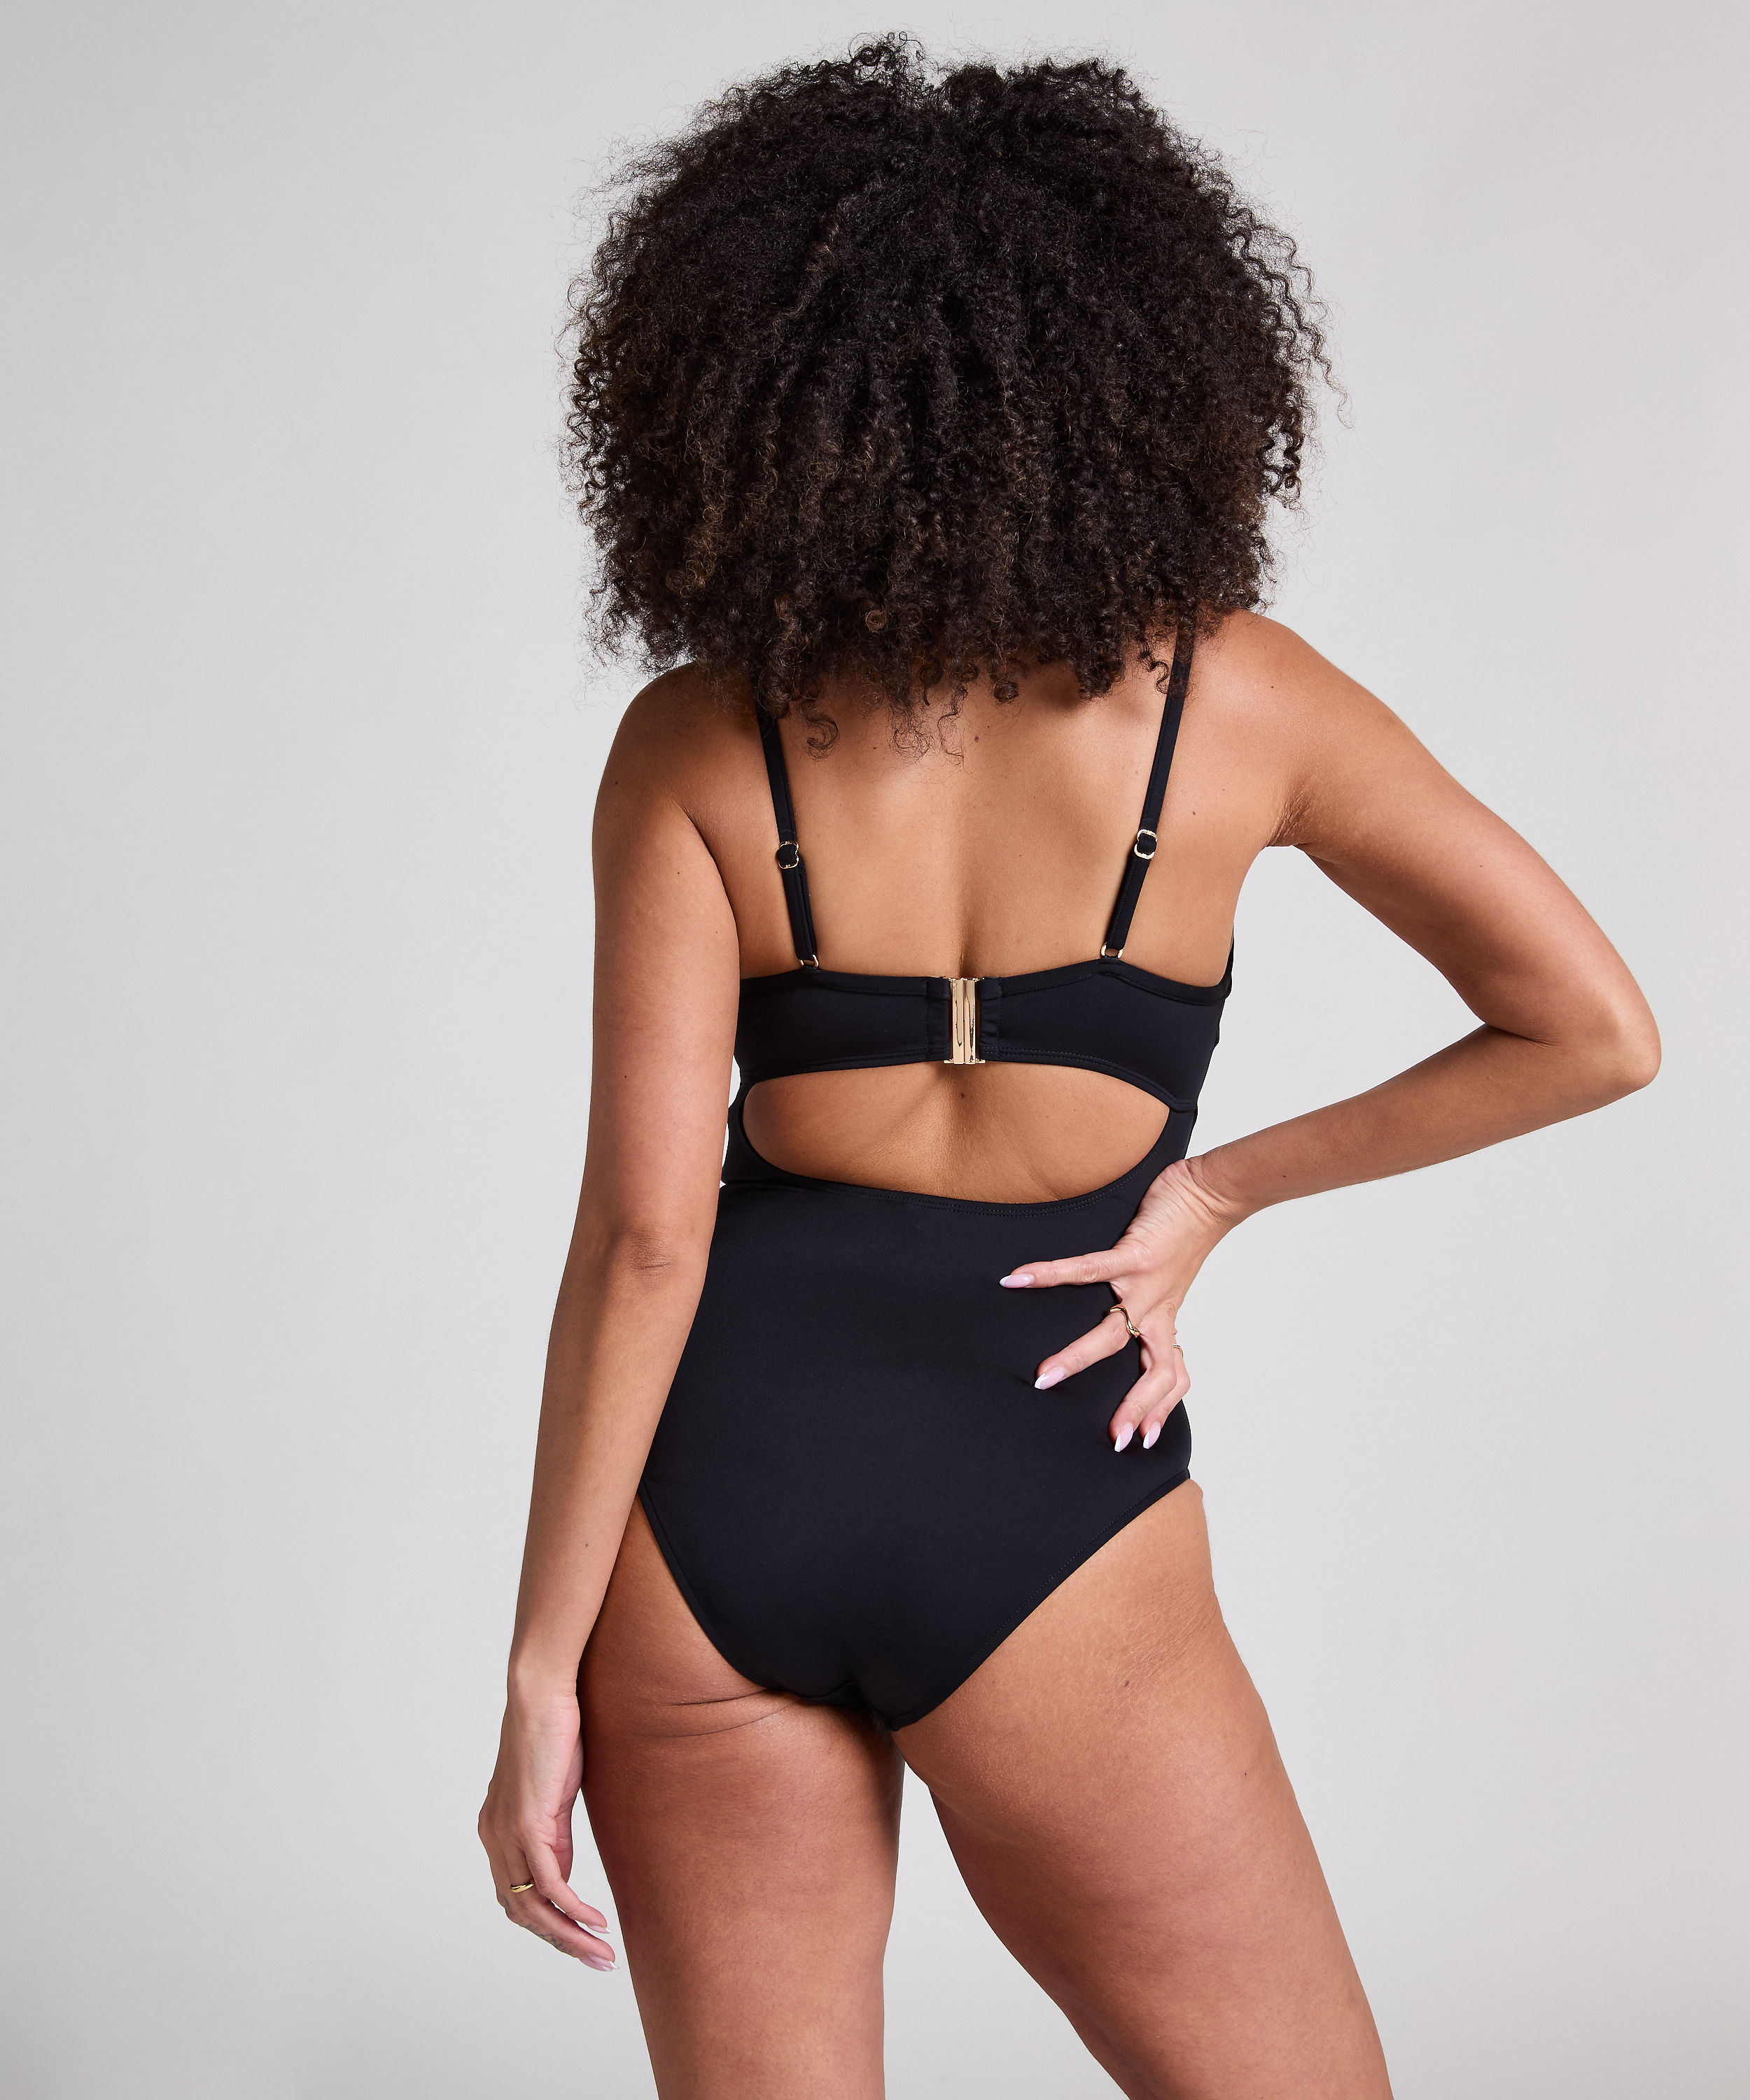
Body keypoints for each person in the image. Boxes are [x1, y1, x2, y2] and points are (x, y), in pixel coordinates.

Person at [477, 38, 1658, 2099]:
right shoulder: (1245, 702)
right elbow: (1592, 1029)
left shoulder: (695, 737)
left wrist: (535, 1668)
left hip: (713, 1501)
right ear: (1135, 379)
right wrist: (1209, 1194)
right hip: (1040, 1478)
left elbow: (647, 1240)